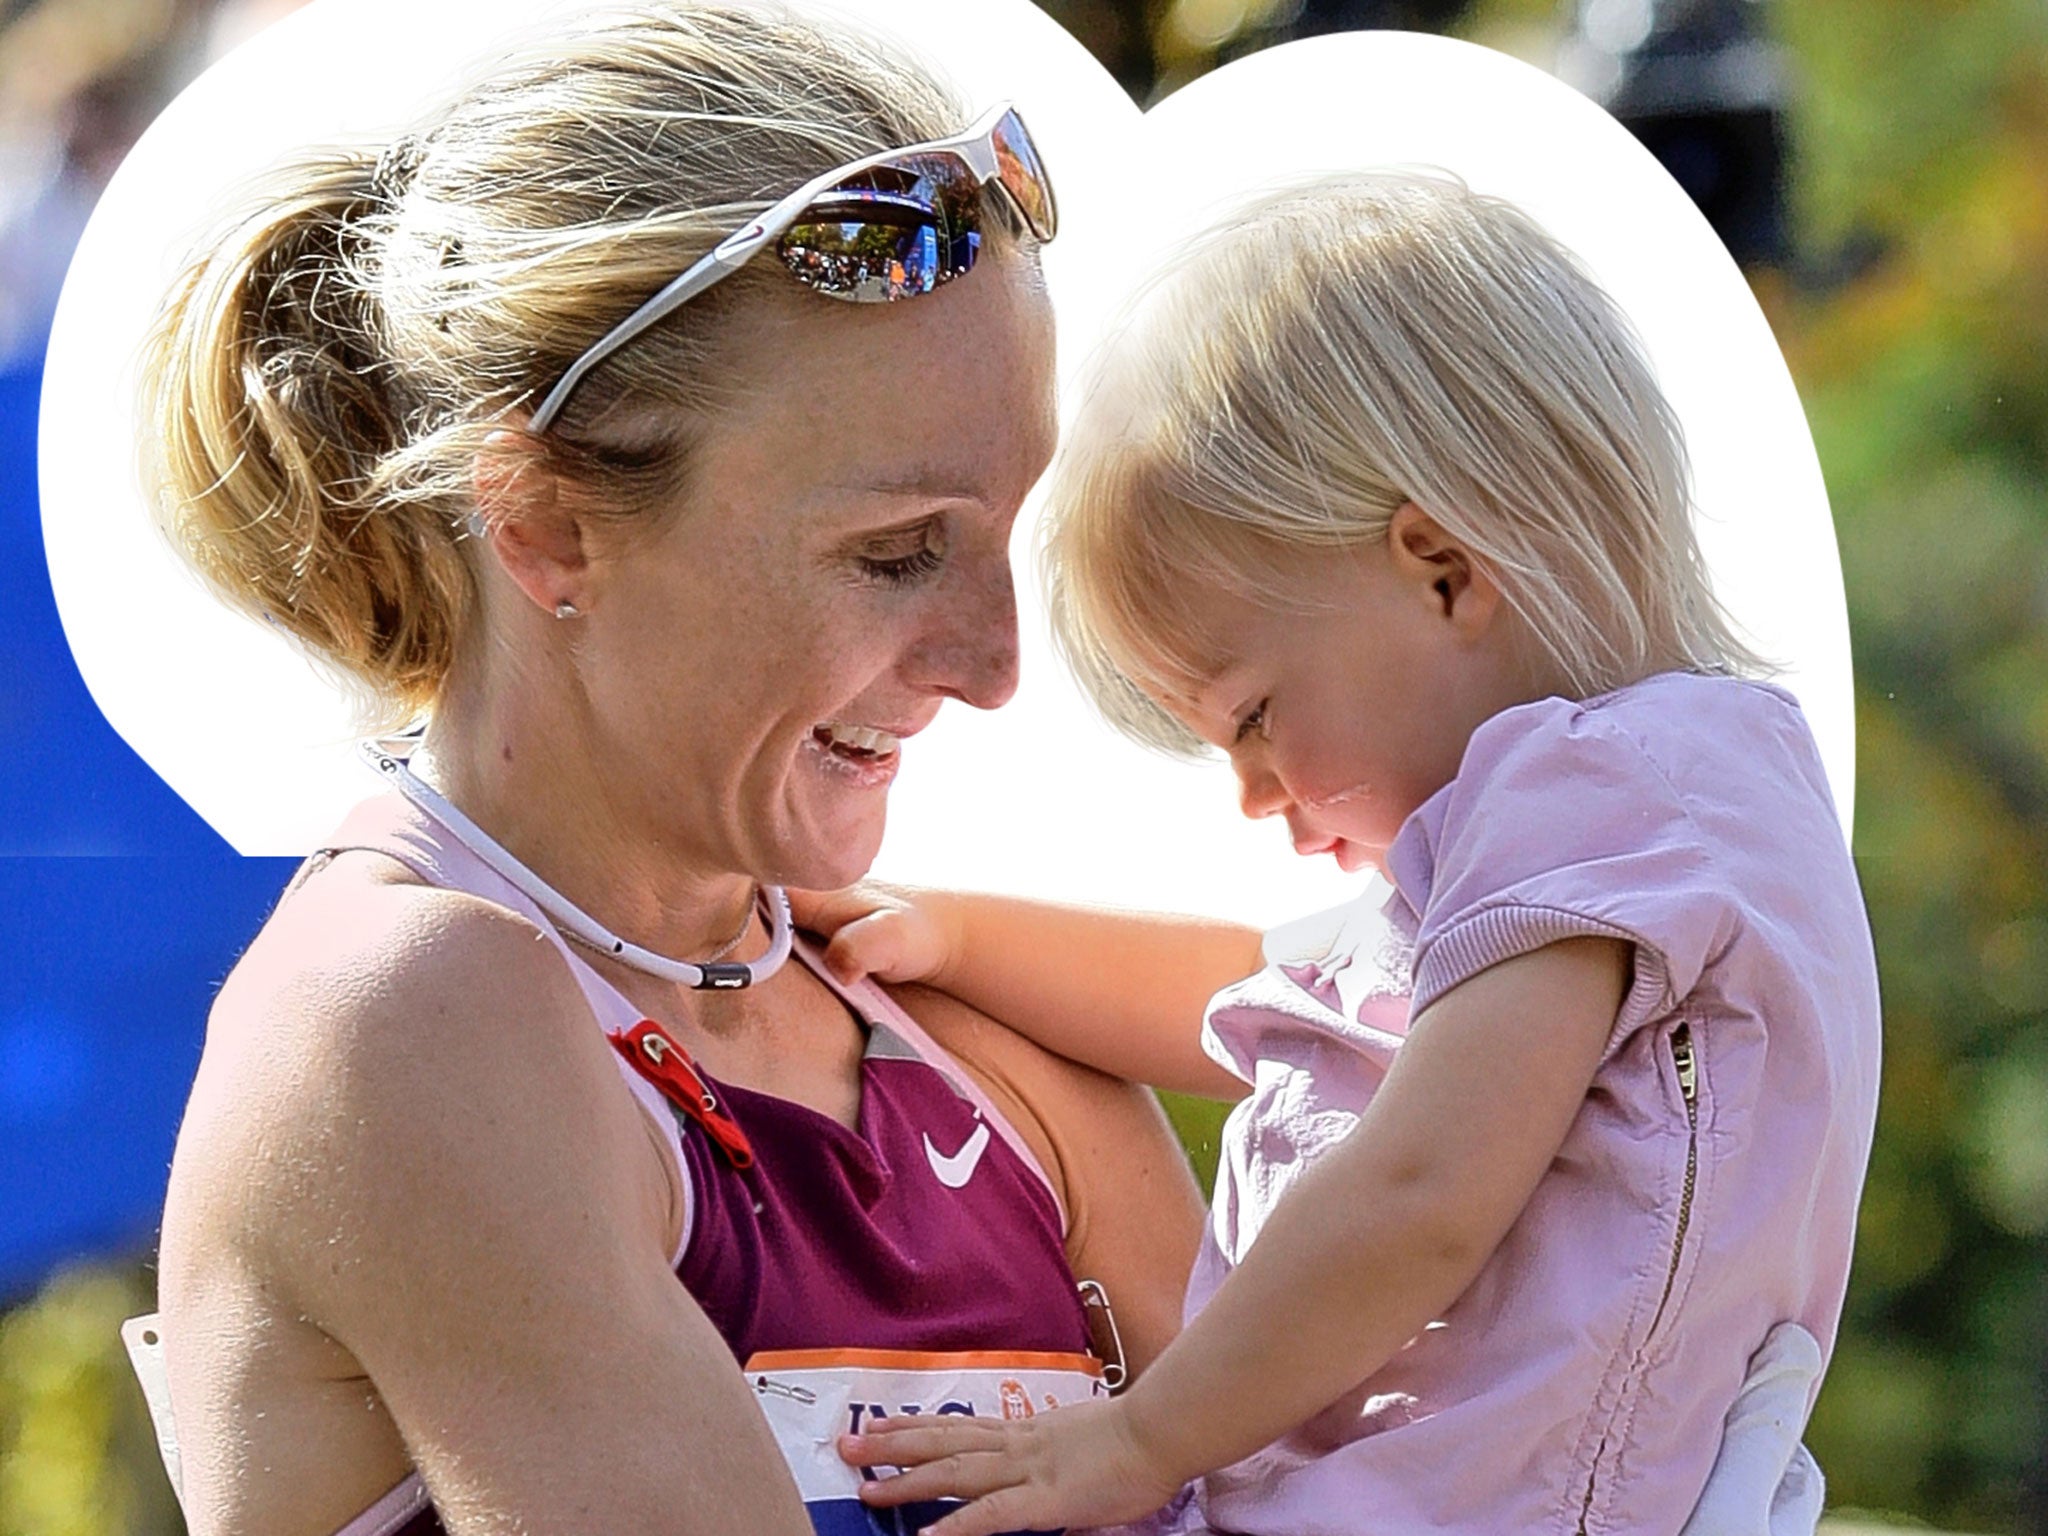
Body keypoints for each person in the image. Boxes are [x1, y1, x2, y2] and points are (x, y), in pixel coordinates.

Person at [134, 7, 1212, 1534]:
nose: (993, 664)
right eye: (898, 554)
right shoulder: (404, 1014)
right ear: (543, 524)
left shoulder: (974, 1031)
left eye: (1005, 533)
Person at [806, 172, 1882, 1535]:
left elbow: (1424, 1191)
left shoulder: (1616, 793)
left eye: (1252, 716)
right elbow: (1252, 1002)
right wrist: (958, 937)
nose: (1252, 793)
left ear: (1440, 570)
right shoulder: (1592, 843)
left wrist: (1142, 1437)